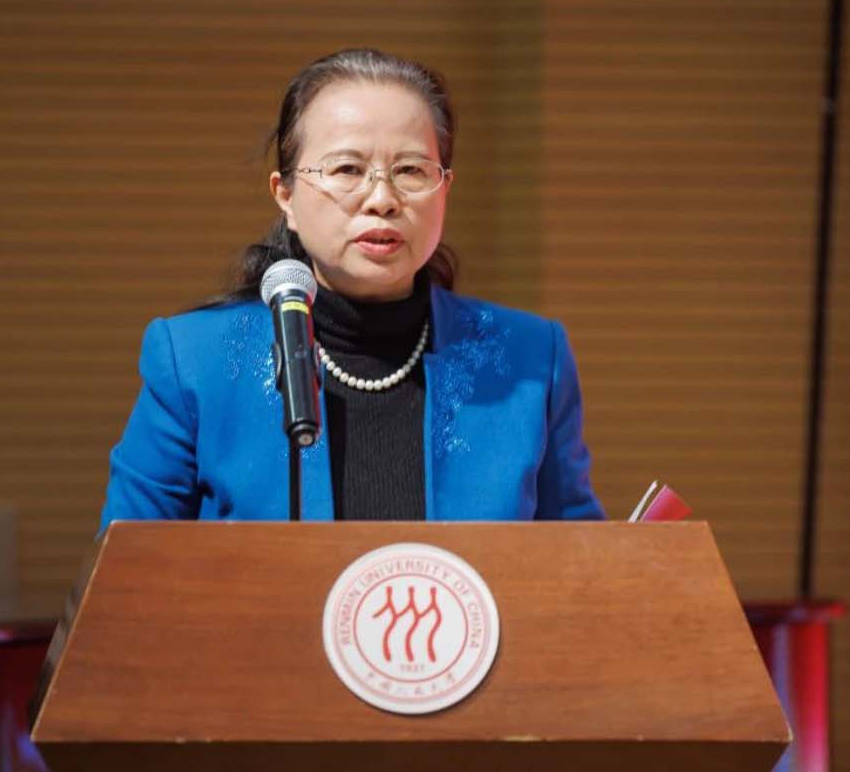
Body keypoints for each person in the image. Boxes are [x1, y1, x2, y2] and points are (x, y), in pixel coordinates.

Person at [99, 48, 604, 527]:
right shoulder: (195, 361)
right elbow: (127, 568)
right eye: (347, 169)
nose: (382, 199)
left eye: (411, 170)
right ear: (285, 195)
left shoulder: (528, 360)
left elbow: (576, 562)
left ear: (445, 189)